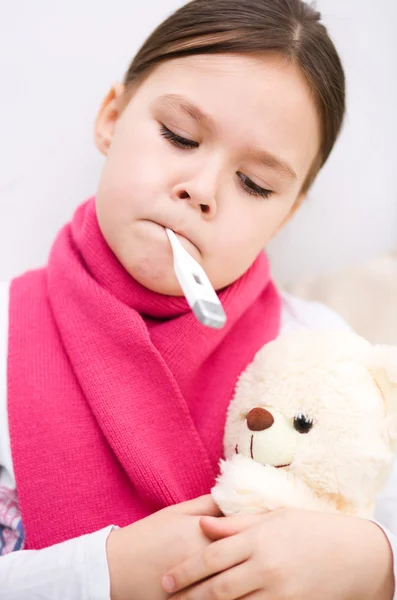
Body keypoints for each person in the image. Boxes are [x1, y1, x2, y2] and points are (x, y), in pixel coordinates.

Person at [0, 0, 396, 598]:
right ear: (112, 116)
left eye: (254, 184)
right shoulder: (7, 332)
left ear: (286, 212)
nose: (202, 190)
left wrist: (376, 559)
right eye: (179, 136)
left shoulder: (326, 355)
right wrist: (102, 573)